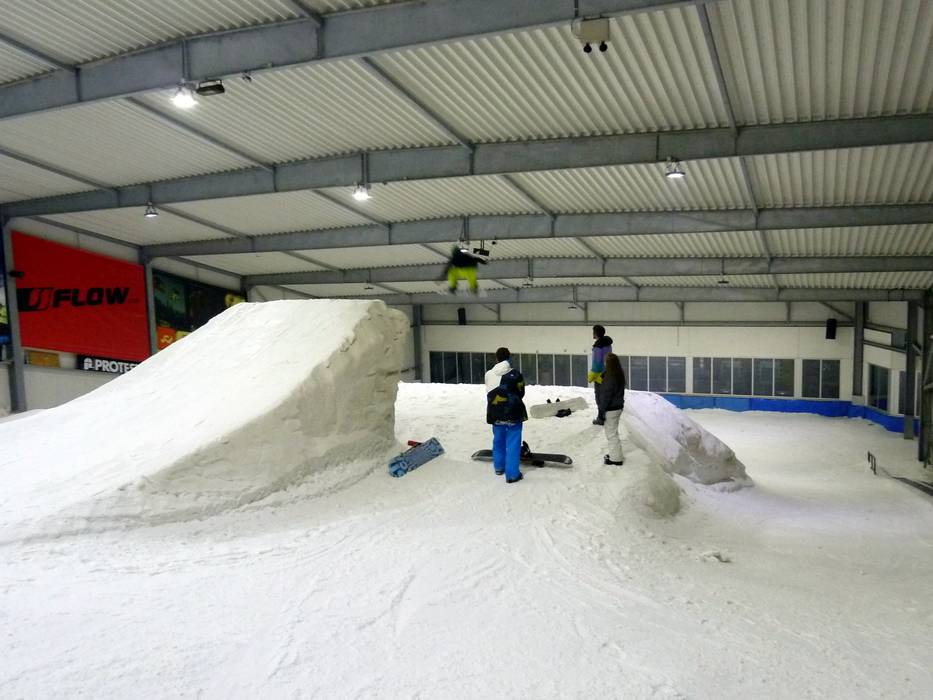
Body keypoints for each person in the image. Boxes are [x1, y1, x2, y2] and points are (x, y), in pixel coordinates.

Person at [484, 347, 528, 484]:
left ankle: (499, 467)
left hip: (495, 413)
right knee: (513, 443)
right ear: (509, 358)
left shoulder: (488, 374)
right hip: (513, 413)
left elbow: (489, 390)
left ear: (496, 358)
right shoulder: (516, 374)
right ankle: (512, 474)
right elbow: (521, 393)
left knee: (498, 440)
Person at [597, 353, 626, 466]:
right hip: (618, 407)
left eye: (605, 362)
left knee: (611, 434)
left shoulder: (610, 377)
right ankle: (616, 454)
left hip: (611, 409)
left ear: (608, 364)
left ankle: (616, 459)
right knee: (613, 432)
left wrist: (601, 411)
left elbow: (606, 396)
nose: (604, 363)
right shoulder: (619, 374)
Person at [587, 324, 613, 424]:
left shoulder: (598, 346)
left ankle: (601, 418)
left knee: (599, 396)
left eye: (593, 332)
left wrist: (592, 374)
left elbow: (597, 363)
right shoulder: (608, 344)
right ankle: (606, 416)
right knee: (606, 395)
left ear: (596, 333)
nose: (592, 334)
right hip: (608, 372)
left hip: (600, 375)